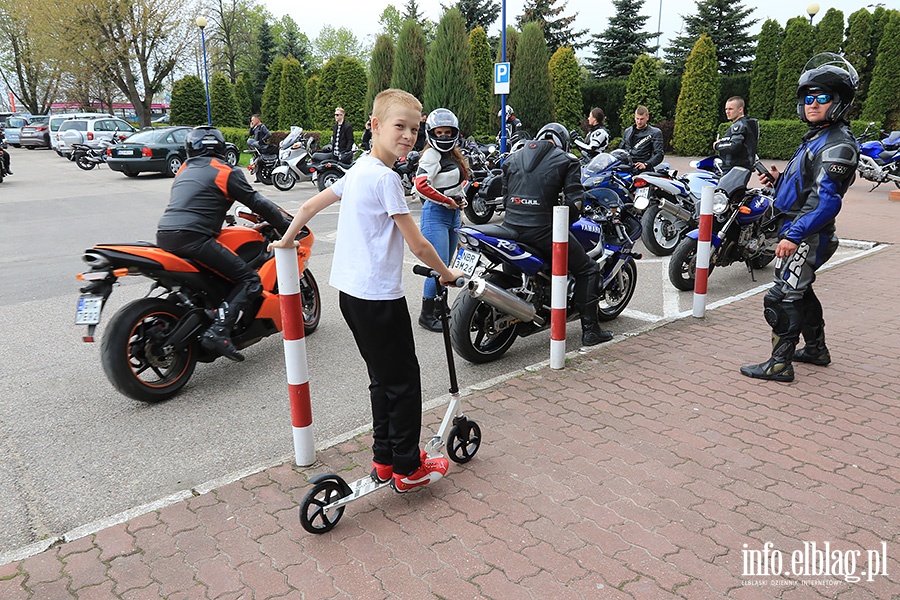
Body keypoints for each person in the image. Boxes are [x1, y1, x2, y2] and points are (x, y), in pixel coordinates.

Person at [270, 89, 463, 493]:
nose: (408, 136)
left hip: (350, 297)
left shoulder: (358, 169)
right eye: (399, 126)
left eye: (414, 128)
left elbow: (306, 209)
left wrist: (287, 242)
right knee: (405, 381)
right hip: (379, 299)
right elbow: (419, 245)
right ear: (375, 125)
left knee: (382, 379)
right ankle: (409, 468)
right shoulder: (387, 178)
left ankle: (385, 457)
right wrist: (446, 273)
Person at [740, 53, 860, 383]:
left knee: (780, 296)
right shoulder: (820, 137)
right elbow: (809, 186)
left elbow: (825, 202)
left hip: (809, 233)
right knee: (801, 292)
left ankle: (779, 365)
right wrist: (780, 181)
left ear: (839, 102)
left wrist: (794, 235)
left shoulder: (838, 145)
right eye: (809, 97)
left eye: (823, 97)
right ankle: (816, 350)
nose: (813, 104)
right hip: (800, 227)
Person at [156, 126, 292, 362]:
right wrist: (285, 226)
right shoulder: (225, 172)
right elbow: (257, 203)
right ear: (219, 147)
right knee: (249, 280)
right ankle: (219, 330)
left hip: (165, 235)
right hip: (195, 238)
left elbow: (197, 202)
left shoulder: (184, 170)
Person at [501, 122, 613, 347]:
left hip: (510, 228)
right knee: (588, 269)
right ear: (563, 143)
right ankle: (591, 331)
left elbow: (505, 198)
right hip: (542, 232)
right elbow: (576, 202)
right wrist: (564, 221)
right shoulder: (567, 160)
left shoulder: (512, 157)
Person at [413, 108, 470, 332]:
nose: (444, 136)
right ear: (431, 133)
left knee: (447, 267)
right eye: (440, 132)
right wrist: (447, 200)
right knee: (438, 267)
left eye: (448, 132)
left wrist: (460, 199)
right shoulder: (431, 155)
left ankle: (441, 309)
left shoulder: (452, 155)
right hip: (436, 214)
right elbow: (421, 185)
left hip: (452, 215)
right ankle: (427, 315)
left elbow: (458, 184)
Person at [714, 96, 757, 172]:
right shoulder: (746, 123)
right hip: (738, 168)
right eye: (726, 109)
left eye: (730, 109)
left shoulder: (739, 125)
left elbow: (734, 146)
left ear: (740, 110)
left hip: (734, 168)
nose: (727, 112)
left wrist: (717, 145)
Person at [619, 106, 664, 172]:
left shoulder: (655, 133)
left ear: (647, 117)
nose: (639, 122)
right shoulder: (627, 131)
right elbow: (620, 150)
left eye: (641, 119)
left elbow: (659, 154)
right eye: (637, 118)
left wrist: (646, 164)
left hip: (644, 168)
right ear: (634, 117)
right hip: (627, 167)